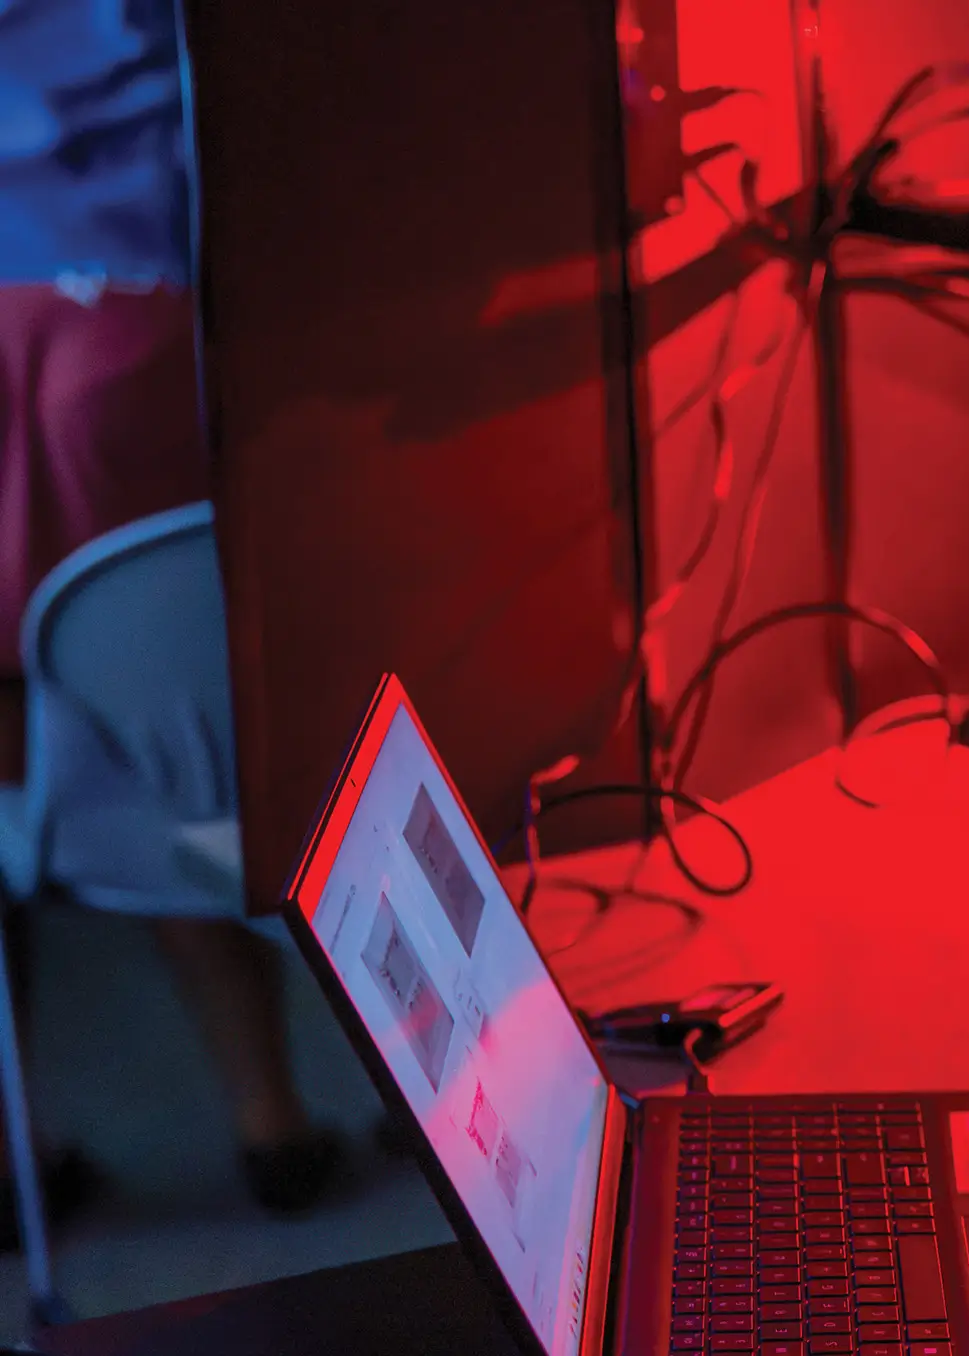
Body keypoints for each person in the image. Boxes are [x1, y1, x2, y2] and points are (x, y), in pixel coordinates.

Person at [3, 0, 348, 1212]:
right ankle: (274, 1122)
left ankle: (9, 1164)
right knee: (159, 729)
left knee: (40, 747)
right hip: (141, 287)